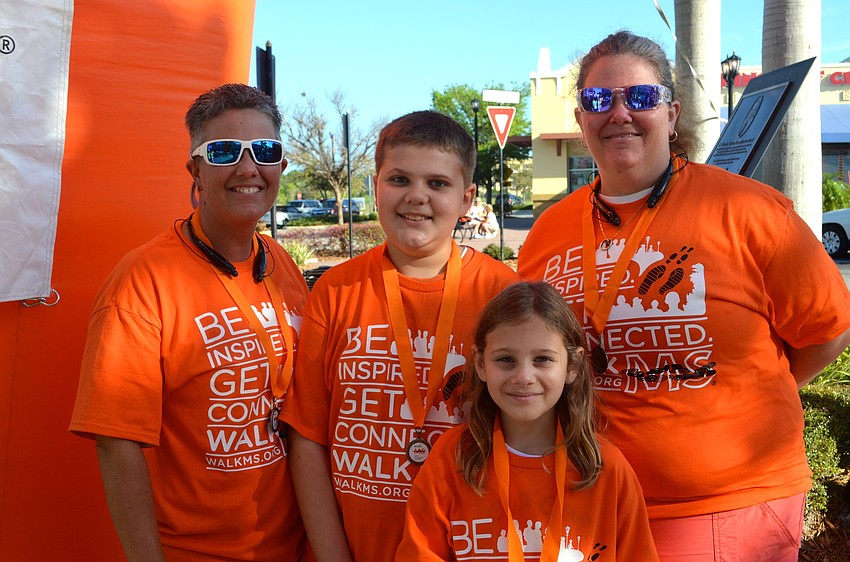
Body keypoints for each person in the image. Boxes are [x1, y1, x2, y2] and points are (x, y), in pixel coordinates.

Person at [517, 30, 850, 561]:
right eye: (600, 100)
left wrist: (743, 399)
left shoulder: (750, 211)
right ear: (581, 121)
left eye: (642, 98)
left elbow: (829, 331)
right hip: (592, 500)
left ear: (671, 114)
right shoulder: (548, 232)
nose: (620, 112)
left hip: (727, 507)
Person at [69, 84, 310, 561]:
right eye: (223, 152)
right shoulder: (142, 281)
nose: (247, 168)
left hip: (294, 548)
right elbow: (116, 445)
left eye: (264, 150)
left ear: (281, 166)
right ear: (195, 170)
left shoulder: (282, 263)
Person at [282, 110, 519, 562]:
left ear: (467, 198)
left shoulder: (502, 295)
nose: (417, 197)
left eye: (438, 184)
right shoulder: (336, 290)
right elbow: (308, 438)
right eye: (399, 179)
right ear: (375, 186)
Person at [395, 282, 659, 561]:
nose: (524, 377)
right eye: (506, 359)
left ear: (572, 366)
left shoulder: (606, 469)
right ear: (481, 363)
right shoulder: (452, 459)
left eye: (542, 359)